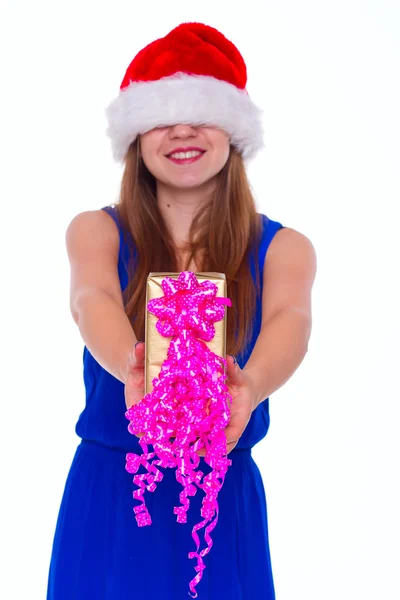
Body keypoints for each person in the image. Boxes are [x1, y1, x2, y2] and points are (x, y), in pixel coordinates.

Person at [46, 21, 317, 600]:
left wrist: (251, 387)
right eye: (163, 117)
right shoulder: (98, 231)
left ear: (234, 132)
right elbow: (88, 299)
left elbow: (291, 322)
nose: (183, 131)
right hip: (115, 498)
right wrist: (131, 366)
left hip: (222, 501)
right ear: (137, 137)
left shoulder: (284, 247)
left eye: (201, 114)